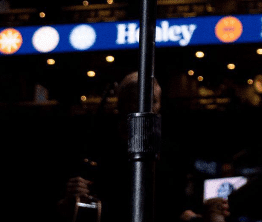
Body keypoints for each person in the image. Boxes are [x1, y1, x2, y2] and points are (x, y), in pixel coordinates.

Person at [56, 73, 230, 222]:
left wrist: (205, 214)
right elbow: (70, 207)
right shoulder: (96, 148)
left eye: (152, 101)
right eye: (137, 100)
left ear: (160, 105)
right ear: (121, 104)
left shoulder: (172, 153)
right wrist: (72, 198)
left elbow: (179, 209)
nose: (146, 107)